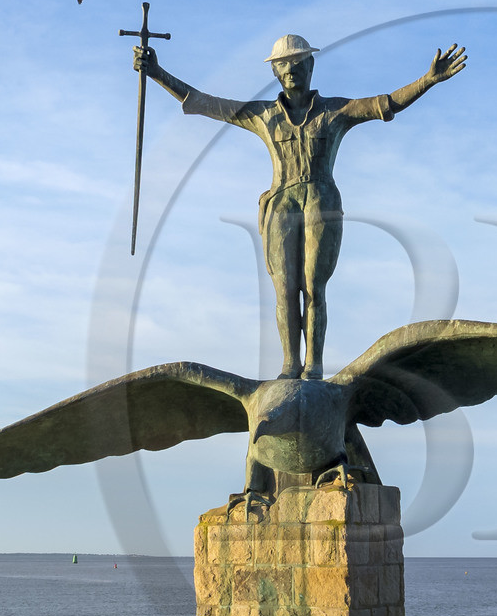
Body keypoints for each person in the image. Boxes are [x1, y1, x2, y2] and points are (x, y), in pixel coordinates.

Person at [135, 34, 466, 379]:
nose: (291, 68)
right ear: (275, 71)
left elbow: (386, 103)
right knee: (284, 287)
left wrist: (427, 80)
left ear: (310, 65)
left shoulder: (336, 110)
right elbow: (203, 102)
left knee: (313, 285)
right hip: (281, 204)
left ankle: (314, 364)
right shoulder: (262, 115)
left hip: (320, 201)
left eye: (298, 62)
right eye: (284, 63)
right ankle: (290, 363)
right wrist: (157, 73)